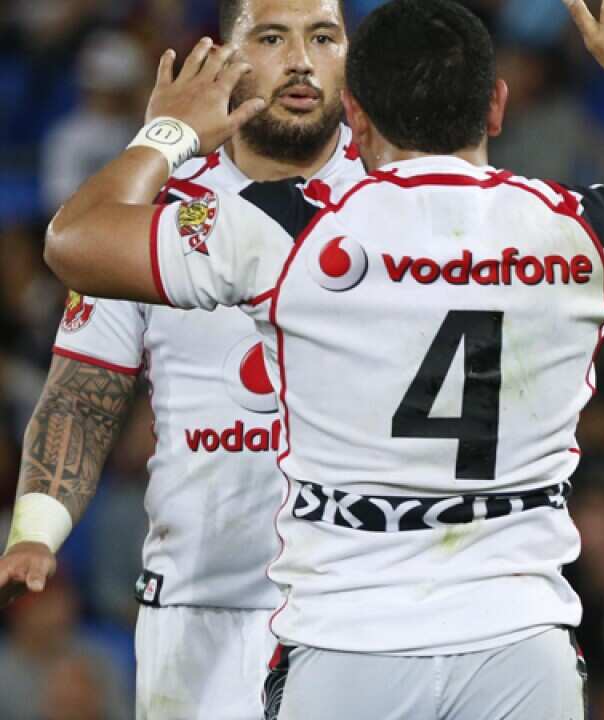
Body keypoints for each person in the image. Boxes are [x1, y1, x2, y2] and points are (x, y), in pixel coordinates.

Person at [39, 0, 604, 717]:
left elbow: (75, 241)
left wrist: (170, 132)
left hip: (350, 640)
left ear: (358, 116)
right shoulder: (578, 225)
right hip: (520, 638)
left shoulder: (288, 229)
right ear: (496, 107)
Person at [0, 0, 364, 717]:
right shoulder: (152, 211)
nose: (300, 60)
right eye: (270, 37)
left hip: (363, 603)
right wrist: (36, 531)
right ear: (222, 59)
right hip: (201, 611)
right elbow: (81, 393)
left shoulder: (401, 197)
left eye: (323, 37)